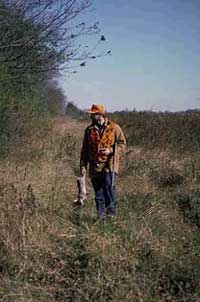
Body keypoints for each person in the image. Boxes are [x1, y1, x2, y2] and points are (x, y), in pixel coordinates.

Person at [80, 104, 126, 220]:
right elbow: (85, 149)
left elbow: (122, 143)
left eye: (93, 114)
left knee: (109, 187)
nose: (91, 116)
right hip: (95, 165)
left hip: (110, 164)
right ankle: (101, 218)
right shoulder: (89, 130)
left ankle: (111, 215)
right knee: (99, 193)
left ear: (100, 115)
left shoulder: (114, 128)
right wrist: (83, 165)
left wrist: (110, 150)